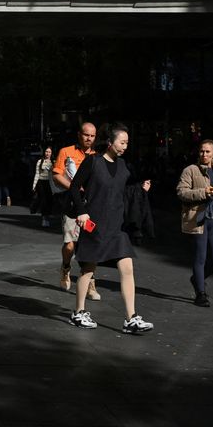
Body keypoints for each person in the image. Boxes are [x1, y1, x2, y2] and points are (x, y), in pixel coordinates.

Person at [69, 123, 154, 334]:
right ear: (110, 142)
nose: (125, 146)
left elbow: (123, 191)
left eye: (127, 143)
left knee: (127, 268)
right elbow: (73, 187)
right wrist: (81, 211)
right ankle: (78, 312)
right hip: (95, 225)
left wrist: (140, 189)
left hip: (117, 226)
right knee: (88, 269)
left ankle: (131, 318)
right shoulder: (93, 161)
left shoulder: (124, 166)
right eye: (122, 142)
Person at [176, 139, 213, 307]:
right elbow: (182, 192)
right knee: (200, 257)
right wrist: (204, 192)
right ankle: (200, 293)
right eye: (202, 151)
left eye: (208, 152)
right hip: (197, 219)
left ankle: (197, 279)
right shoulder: (190, 170)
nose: (204, 154)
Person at [52, 122, 101, 299]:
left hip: (91, 207)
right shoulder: (66, 152)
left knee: (90, 245)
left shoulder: (98, 156)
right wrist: (75, 187)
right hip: (72, 206)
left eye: (92, 136)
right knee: (70, 244)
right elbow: (56, 175)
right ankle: (66, 267)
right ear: (79, 134)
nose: (89, 139)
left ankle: (90, 284)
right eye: (86, 135)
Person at [31, 146, 54, 227]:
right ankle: (44, 219)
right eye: (46, 151)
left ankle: (47, 216)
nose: (47, 153)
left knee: (49, 201)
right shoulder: (39, 161)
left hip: (50, 184)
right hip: (41, 183)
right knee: (44, 201)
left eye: (49, 152)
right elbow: (37, 174)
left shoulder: (53, 162)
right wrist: (34, 185)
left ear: (51, 153)